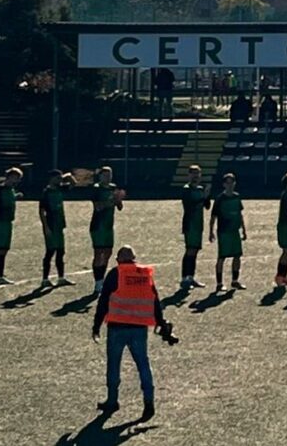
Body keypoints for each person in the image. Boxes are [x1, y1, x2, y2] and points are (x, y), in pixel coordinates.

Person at [92, 244, 170, 422]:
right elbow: (155, 301)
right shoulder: (144, 275)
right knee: (143, 364)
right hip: (139, 328)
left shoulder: (116, 273)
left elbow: (103, 301)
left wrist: (96, 326)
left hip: (117, 327)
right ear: (134, 259)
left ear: (119, 260)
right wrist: (161, 323)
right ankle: (148, 402)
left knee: (114, 365)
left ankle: (112, 400)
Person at [207, 173, 246, 290]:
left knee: (237, 256)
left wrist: (244, 229)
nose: (230, 185)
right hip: (224, 232)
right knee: (222, 257)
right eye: (227, 183)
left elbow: (240, 214)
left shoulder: (237, 197)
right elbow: (213, 217)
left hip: (235, 231)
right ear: (224, 184)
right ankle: (219, 283)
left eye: (232, 182)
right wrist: (211, 231)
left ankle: (235, 280)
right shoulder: (220, 199)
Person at [89, 167, 124, 293]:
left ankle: (101, 279)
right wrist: (112, 201)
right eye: (105, 175)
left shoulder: (113, 187)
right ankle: (98, 282)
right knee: (99, 253)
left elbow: (119, 207)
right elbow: (98, 207)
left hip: (109, 226)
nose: (108, 177)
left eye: (110, 175)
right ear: (100, 176)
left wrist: (119, 199)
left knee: (108, 252)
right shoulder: (96, 188)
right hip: (98, 226)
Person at [178, 164, 210, 290]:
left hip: (198, 224)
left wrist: (206, 196)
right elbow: (190, 203)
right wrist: (203, 196)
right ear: (189, 175)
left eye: (198, 173)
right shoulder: (186, 189)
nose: (196, 176)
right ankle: (185, 278)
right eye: (194, 173)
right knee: (190, 250)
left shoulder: (200, 189)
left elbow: (206, 206)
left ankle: (191, 277)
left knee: (195, 251)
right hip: (190, 224)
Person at [38, 169, 72, 287]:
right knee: (50, 252)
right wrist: (45, 227)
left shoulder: (60, 188)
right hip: (51, 225)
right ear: (51, 179)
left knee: (60, 251)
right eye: (57, 178)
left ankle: (61, 277)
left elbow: (74, 184)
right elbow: (41, 211)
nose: (59, 180)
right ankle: (45, 279)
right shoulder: (46, 192)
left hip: (59, 225)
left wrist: (68, 176)